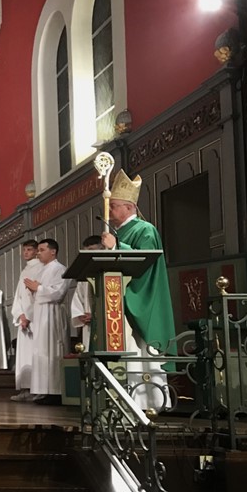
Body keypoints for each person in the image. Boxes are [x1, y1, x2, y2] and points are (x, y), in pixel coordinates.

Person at [100, 170, 175, 411]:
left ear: (129, 207)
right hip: (120, 297)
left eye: (114, 207)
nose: (110, 213)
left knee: (144, 351)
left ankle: (152, 402)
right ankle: (130, 400)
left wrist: (116, 246)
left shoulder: (145, 230)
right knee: (128, 352)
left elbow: (146, 260)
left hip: (143, 295)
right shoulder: (120, 233)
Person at [24, 239, 71, 404]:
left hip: (52, 314)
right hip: (40, 314)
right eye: (38, 250)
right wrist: (33, 290)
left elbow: (58, 293)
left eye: (42, 250)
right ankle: (43, 390)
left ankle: (56, 391)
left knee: (53, 350)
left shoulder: (60, 269)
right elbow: (36, 293)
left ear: (53, 251)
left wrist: (38, 288)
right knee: (41, 352)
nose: (38, 253)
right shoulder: (41, 270)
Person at [10, 239, 43, 402]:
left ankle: (35, 389)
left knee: (33, 354)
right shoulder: (25, 270)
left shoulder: (40, 268)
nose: (26, 253)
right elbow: (19, 296)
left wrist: (28, 316)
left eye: (30, 250)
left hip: (34, 320)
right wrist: (20, 314)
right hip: (24, 318)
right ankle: (24, 388)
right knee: (23, 355)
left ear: (37, 251)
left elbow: (35, 296)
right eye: (24, 250)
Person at [70, 235, 104, 352]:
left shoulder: (108, 271)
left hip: (104, 323)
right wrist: (80, 315)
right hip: (88, 323)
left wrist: (96, 315)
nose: (88, 255)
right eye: (85, 252)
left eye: (91, 251)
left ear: (102, 249)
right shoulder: (84, 274)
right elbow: (78, 297)